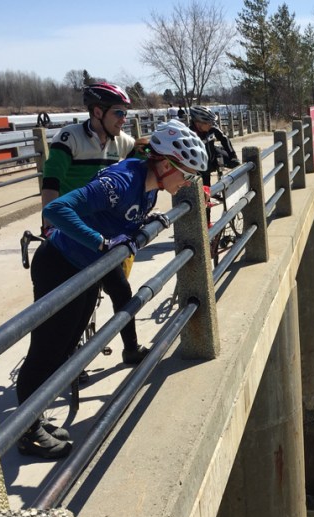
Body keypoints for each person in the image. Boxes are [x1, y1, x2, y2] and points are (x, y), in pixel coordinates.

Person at [17, 119, 208, 458]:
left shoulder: (152, 185)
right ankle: (26, 431)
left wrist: (143, 227)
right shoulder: (122, 182)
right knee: (47, 348)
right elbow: (56, 209)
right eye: (188, 174)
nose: (189, 182)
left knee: (67, 344)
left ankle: (35, 417)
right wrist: (101, 243)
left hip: (88, 267)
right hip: (61, 264)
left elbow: (124, 220)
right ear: (166, 165)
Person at [41, 82, 150, 368]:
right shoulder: (71, 137)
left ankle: (130, 349)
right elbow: (52, 181)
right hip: (71, 227)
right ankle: (68, 361)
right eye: (118, 113)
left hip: (102, 233)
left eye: (125, 114)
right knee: (71, 307)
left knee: (122, 291)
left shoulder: (121, 142)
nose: (123, 120)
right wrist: (48, 223)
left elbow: (141, 163)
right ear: (97, 112)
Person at [188, 105, 241, 186]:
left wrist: (233, 156)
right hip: (201, 163)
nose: (211, 124)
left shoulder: (212, 128)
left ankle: (227, 186)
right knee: (205, 186)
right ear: (198, 123)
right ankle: (207, 194)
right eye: (208, 122)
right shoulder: (189, 134)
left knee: (235, 163)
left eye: (212, 122)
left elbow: (224, 139)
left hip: (213, 153)